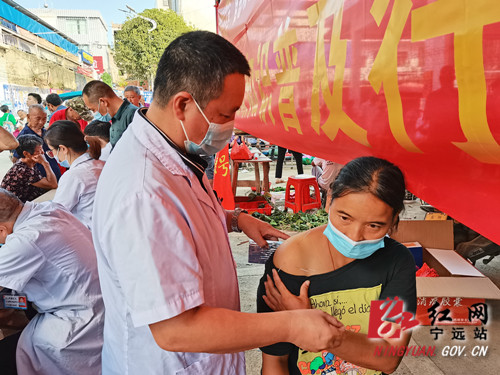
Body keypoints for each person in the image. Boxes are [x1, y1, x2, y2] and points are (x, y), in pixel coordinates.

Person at [92, 31, 344, 375]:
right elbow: (175, 329)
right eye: (226, 114)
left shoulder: (174, 152)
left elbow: (182, 218)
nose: (230, 125)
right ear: (183, 104)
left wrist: (236, 219)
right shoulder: (143, 191)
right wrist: (291, 324)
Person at [257, 156, 417, 375]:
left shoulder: (397, 262)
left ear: (394, 219)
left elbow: (389, 358)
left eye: (373, 225)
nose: (355, 236)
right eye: (344, 217)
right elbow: (275, 362)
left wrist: (309, 324)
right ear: (329, 199)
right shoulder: (290, 262)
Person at [0, 189, 104, 374]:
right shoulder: (51, 209)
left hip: (78, 327)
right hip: (99, 306)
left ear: (1, 230)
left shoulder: (26, 241)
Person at [44, 120, 104, 229]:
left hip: (90, 234)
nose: (54, 155)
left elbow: (57, 214)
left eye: (52, 150)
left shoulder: (74, 176)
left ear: (63, 149)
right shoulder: (101, 163)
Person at [2, 135, 57, 202]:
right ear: (26, 154)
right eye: (39, 151)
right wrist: (45, 164)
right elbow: (53, 184)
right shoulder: (23, 170)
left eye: (41, 149)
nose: (42, 152)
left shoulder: (29, 163)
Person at [12, 104, 61, 181]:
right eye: (37, 119)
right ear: (28, 117)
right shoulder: (23, 136)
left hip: (55, 173)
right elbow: (15, 159)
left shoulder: (46, 132)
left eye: (44, 119)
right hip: (39, 180)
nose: (41, 122)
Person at [82, 80, 138, 147]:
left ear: (103, 102)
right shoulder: (115, 118)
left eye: (93, 110)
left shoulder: (133, 115)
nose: (95, 113)